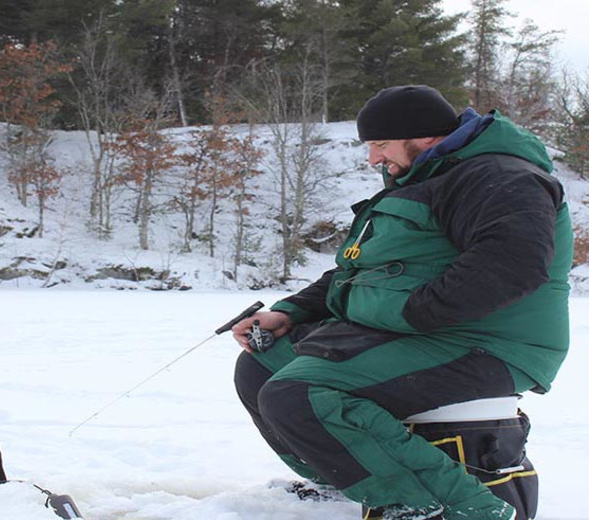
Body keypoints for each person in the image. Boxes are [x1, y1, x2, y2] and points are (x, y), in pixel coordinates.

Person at [231, 85, 573, 520]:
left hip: (491, 344)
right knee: (263, 366)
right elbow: (361, 271)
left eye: (380, 145)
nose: (374, 159)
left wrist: (407, 313)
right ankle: (345, 485)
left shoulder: (500, 176)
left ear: (424, 136)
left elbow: (513, 267)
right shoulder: (429, 179)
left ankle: (452, 508)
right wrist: (288, 313)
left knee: (299, 394)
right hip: (429, 334)